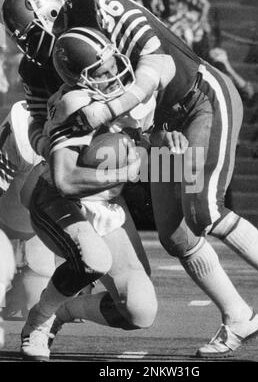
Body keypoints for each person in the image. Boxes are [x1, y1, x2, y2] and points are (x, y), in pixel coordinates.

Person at [2, 0, 258, 359]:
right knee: (177, 237)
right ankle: (239, 315)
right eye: (21, 39)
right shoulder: (43, 72)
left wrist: (111, 110)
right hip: (152, 133)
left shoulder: (92, 4)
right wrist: (60, 137)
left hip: (195, 103)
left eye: (28, 34)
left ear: (47, 12)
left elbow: (158, 59)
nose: (29, 47)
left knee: (204, 210)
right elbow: (42, 131)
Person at [20, 28, 158, 361]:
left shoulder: (126, 91)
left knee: (140, 312)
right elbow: (65, 179)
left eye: (113, 64)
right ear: (80, 78)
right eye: (101, 72)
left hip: (105, 202)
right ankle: (39, 321)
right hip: (60, 200)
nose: (114, 74)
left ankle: (65, 310)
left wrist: (167, 144)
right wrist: (124, 173)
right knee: (94, 260)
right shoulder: (77, 102)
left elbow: (146, 145)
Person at [0, 101, 56, 348]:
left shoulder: (92, 118)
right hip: (5, 218)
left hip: (39, 227)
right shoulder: (21, 129)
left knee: (38, 302)